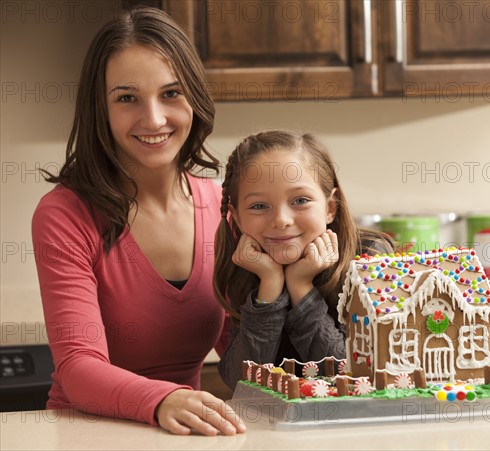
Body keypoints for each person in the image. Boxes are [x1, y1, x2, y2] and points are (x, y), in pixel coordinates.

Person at [31, 6, 245, 436]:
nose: (153, 118)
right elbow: (78, 368)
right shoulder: (65, 215)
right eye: (127, 98)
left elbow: (240, 358)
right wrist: (163, 398)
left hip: (180, 437)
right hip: (85, 434)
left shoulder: (224, 205)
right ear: (101, 108)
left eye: (171, 93)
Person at [214, 131, 394, 389]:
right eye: (259, 206)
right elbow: (241, 383)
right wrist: (270, 285)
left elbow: (359, 378)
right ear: (238, 218)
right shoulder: (245, 265)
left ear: (330, 207)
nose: (281, 220)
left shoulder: (369, 259)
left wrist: (301, 287)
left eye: (300, 200)